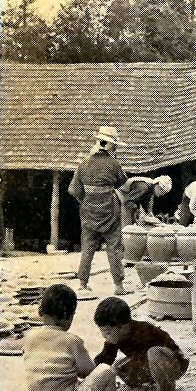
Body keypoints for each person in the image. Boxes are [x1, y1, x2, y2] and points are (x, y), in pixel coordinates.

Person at [23, 284, 129, 391]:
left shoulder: (29, 337)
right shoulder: (72, 341)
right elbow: (89, 372)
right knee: (106, 370)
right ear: (70, 316)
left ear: (40, 312)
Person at [68, 126, 131, 296]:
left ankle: (82, 283)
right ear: (111, 146)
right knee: (115, 247)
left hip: (88, 211)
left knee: (87, 247)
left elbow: (74, 190)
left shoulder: (83, 164)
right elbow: (122, 183)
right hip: (110, 212)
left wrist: (86, 199)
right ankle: (118, 285)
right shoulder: (114, 164)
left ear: (98, 142)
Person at [94, 297, 189, 391]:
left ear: (123, 327)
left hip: (173, 363)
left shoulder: (144, 330)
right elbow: (105, 360)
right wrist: (88, 372)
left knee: (153, 353)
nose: (104, 336)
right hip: (147, 364)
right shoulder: (115, 340)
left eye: (107, 332)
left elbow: (158, 355)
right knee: (117, 367)